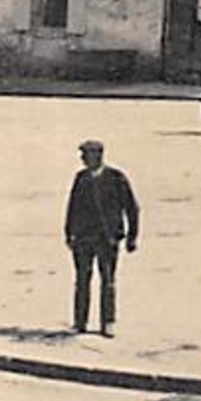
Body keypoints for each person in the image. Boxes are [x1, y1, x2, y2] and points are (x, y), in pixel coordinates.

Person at [63, 140, 140, 337]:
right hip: (83, 239)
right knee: (82, 281)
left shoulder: (116, 178)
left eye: (85, 155)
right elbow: (72, 208)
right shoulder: (80, 178)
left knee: (107, 280)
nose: (82, 159)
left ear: (97, 156)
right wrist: (69, 233)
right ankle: (80, 322)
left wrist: (132, 236)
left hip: (107, 239)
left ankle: (108, 322)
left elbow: (131, 208)